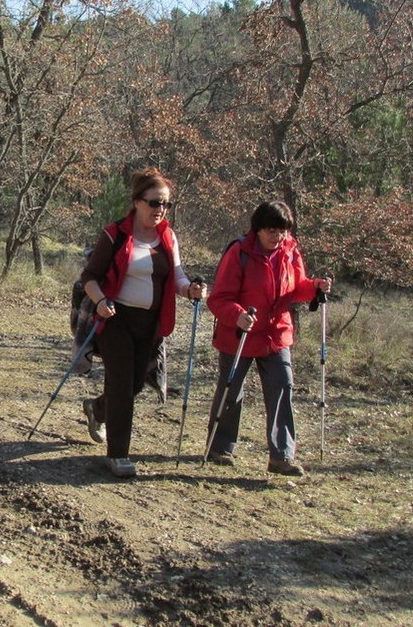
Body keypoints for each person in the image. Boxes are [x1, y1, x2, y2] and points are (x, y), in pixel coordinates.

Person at [79, 168, 206, 478]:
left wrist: (190, 290)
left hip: (150, 323)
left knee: (134, 384)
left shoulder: (168, 236)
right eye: (154, 203)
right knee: (122, 382)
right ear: (137, 202)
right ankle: (118, 455)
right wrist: (100, 301)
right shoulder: (116, 234)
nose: (160, 210)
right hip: (116, 318)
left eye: (165, 204)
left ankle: (97, 409)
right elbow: (90, 277)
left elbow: (176, 276)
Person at [205, 200, 332, 477]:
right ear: (258, 229)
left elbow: (296, 288)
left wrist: (314, 288)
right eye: (273, 231)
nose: (279, 237)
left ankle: (281, 457)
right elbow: (218, 299)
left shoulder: (290, 251)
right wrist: (237, 315)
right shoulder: (239, 252)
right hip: (239, 334)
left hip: (276, 334)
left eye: (283, 231)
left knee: (282, 388)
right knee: (231, 392)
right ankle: (219, 447)